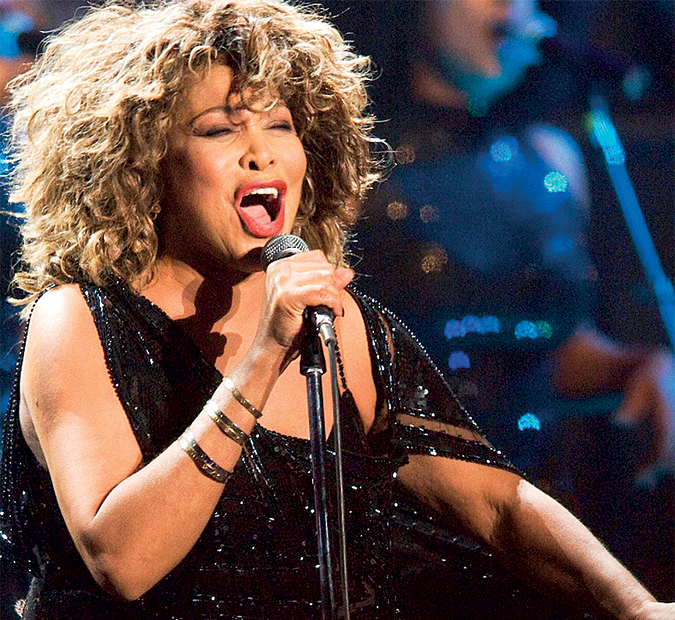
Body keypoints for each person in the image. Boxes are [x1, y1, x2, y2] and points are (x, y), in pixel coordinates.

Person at [0, 1, 673, 619]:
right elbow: (122, 561)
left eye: (280, 124)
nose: (261, 150)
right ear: (142, 166)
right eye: (218, 129)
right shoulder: (79, 319)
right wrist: (264, 355)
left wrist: (636, 608)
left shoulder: (342, 323)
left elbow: (496, 504)